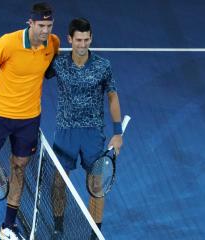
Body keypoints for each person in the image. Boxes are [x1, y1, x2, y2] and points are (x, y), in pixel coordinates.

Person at [0, 2, 60, 240]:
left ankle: (8, 227)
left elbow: (47, 70)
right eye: (41, 25)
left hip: (28, 120)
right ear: (31, 23)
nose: (45, 30)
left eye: (49, 25)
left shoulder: (53, 44)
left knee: (19, 168)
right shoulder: (8, 42)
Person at [48, 18, 123, 240]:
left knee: (96, 184)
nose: (82, 44)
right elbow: (34, 73)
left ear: (91, 38)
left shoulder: (103, 66)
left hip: (93, 133)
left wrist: (117, 132)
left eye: (86, 39)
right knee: (59, 182)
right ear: (70, 39)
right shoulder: (58, 64)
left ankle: (95, 233)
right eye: (78, 40)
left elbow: (112, 97)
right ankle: (57, 227)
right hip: (65, 132)